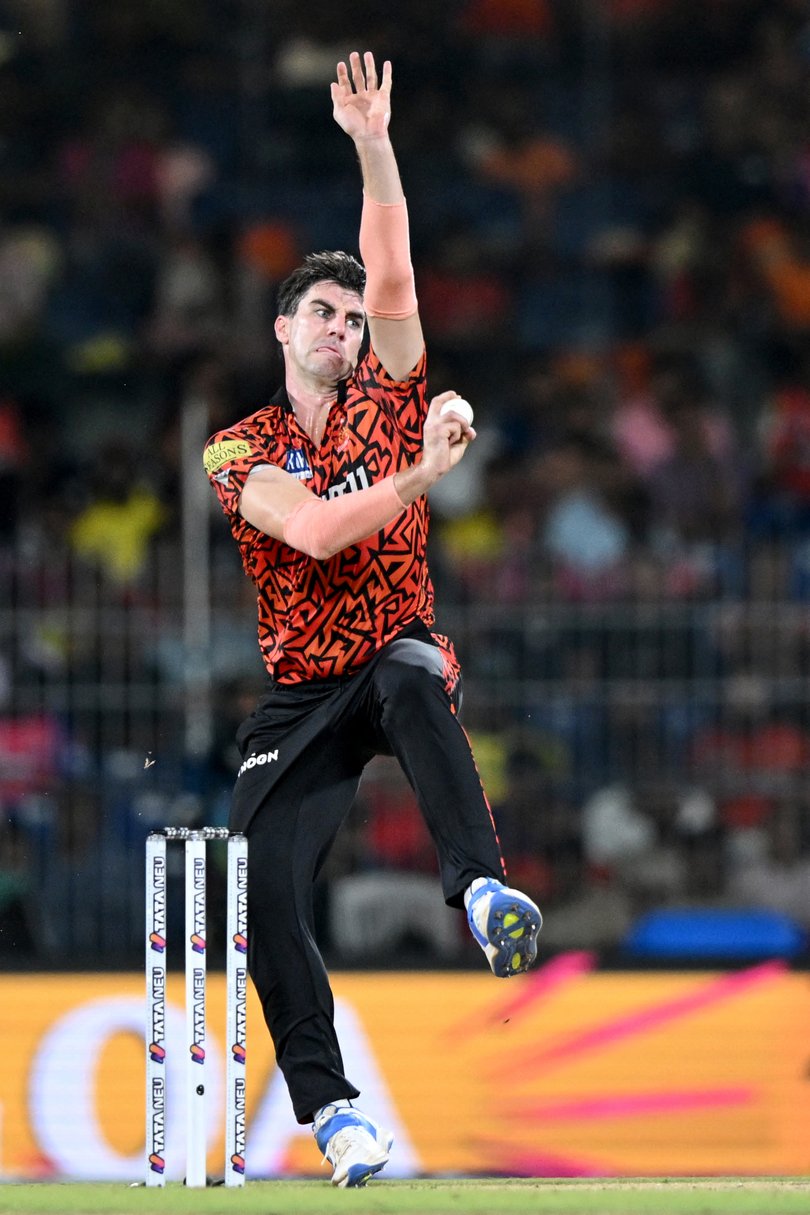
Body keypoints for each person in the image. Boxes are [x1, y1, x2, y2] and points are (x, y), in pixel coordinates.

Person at [203, 51, 542, 1188]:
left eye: (354, 318)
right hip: (299, 692)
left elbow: (394, 267)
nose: (346, 328)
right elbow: (310, 535)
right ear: (283, 329)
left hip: (390, 654)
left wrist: (372, 143)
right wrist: (422, 480)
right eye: (323, 313)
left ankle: (482, 889)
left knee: (412, 676)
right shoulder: (238, 448)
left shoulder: (389, 396)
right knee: (259, 887)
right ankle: (336, 1114)